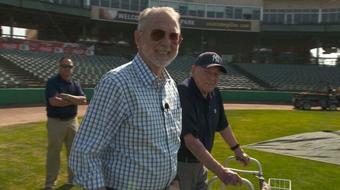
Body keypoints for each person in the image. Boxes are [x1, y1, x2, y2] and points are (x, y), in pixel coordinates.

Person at [69, 7, 182, 190]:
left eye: (173, 36)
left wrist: (173, 181)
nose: (166, 42)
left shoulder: (171, 86)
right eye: (158, 34)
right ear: (138, 38)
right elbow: (84, 152)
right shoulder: (116, 83)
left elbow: (170, 143)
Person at [176, 52, 250, 190]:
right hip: (182, 166)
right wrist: (221, 172)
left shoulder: (215, 93)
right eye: (207, 72)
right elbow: (190, 141)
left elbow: (223, 125)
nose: (212, 78)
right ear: (193, 70)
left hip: (202, 164)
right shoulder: (184, 91)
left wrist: (238, 150)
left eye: (216, 74)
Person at [44, 57, 87, 190]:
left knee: (73, 153)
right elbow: (54, 102)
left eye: (69, 66)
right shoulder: (52, 82)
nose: (67, 69)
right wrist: (74, 100)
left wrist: (67, 97)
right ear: (59, 67)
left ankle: (72, 179)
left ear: (72, 68)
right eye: (64, 66)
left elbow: (84, 99)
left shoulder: (75, 83)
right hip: (56, 122)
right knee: (53, 153)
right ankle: (50, 183)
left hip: (72, 122)